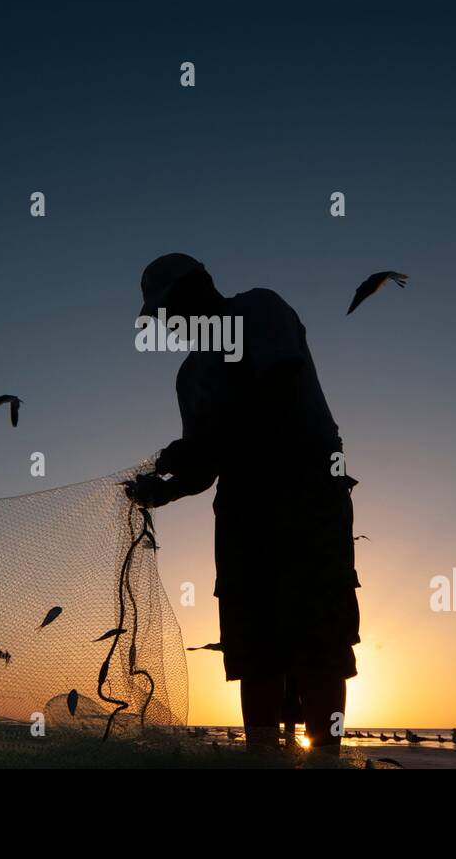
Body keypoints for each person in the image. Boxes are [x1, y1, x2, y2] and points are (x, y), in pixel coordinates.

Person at [125, 253, 359, 755]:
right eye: (163, 315)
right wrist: (163, 488)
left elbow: (276, 390)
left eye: (172, 307)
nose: (171, 321)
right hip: (242, 515)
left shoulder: (258, 310)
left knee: (319, 647)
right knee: (255, 653)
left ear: (202, 285)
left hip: (307, 498)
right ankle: (263, 760)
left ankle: (325, 761)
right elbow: (204, 470)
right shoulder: (190, 375)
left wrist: (200, 446)